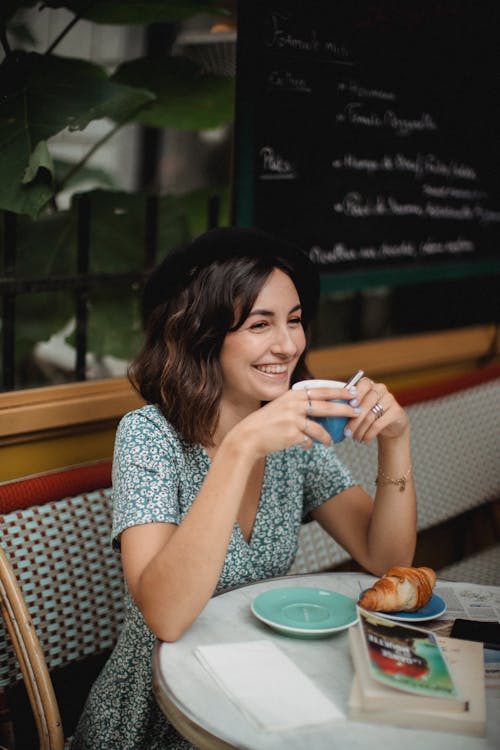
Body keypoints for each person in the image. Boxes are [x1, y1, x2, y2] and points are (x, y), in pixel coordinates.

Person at [72, 226, 416, 749]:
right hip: (159, 717)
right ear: (203, 334)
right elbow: (165, 614)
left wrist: (396, 439)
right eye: (260, 324)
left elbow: (385, 555)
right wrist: (240, 448)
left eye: (295, 321)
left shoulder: (295, 434)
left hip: (258, 690)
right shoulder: (149, 436)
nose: (288, 344)